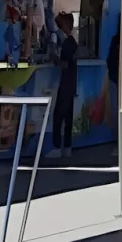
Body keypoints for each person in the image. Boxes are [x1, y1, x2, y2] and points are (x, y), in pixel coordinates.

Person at [48, 13, 78, 159]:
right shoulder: (71, 42)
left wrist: (55, 59)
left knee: (58, 115)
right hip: (71, 85)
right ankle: (67, 147)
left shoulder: (67, 43)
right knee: (68, 117)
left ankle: (56, 147)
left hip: (66, 84)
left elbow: (66, 64)